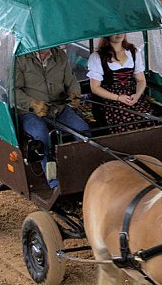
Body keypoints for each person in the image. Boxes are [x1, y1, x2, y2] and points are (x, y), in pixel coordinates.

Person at [15, 48, 89, 189]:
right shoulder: (20, 59)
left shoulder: (60, 55)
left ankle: (82, 174)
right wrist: (32, 104)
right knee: (41, 136)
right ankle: (54, 182)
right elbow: (14, 91)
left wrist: (74, 94)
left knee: (83, 130)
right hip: (30, 112)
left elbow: (71, 81)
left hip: (58, 108)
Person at [87, 34, 153, 133]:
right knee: (127, 121)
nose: (119, 34)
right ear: (107, 35)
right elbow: (95, 88)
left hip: (131, 96)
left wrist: (137, 95)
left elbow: (141, 80)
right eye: (114, 32)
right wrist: (118, 98)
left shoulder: (133, 52)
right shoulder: (97, 57)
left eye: (121, 31)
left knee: (149, 117)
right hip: (109, 99)